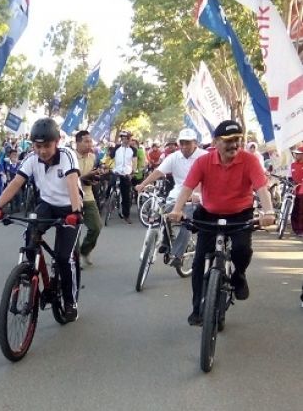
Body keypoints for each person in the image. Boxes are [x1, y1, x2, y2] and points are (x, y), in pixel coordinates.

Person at [168, 121, 275, 326]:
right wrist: (177, 209)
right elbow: (188, 187)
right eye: (228, 141)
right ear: (216, 142)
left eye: (237, 140)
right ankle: (198, 309)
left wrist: (268, 211)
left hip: (240, 214)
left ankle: (239, 275)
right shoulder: (203, 162)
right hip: (209, 214)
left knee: (242, 250)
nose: (234, 145)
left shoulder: (250, 160)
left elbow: (261, 188)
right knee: (199, 262)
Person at [0, 118, 84, 320]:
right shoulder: (31, 159)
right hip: (47, 205)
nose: (42, 151)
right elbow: (16, 183)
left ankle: (70, 301)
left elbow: (72, 183)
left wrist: (75, 212)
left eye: (47, 146)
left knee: (63, 258)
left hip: (69, 206)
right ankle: (30, 274)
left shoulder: (67, 156)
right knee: (30, 238)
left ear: (56, 142)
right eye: (38, 146)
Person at [136, 128, 207, 268]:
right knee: (162, 212)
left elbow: (206, 179)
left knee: (187, 221)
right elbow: (158, 172)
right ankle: (165, 240)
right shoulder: (174, 157)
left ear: (195, 143)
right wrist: (142, 184)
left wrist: (197, 194)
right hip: (177, 194)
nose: (185, 146)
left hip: (198, 195)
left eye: (188, 143)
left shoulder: (204, 157)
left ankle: (177, 255)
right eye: (182, 143)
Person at [75, 131, 103, 267]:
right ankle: (74, 258)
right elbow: (69, 180)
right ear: (77, 142)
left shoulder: (92, 157)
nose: (89, 144)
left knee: (96, 227)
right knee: (73, 230)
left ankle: (84, 251)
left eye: (90, 141)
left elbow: (90, 176)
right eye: (86, 141)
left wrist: (94, 178)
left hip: (88, 196)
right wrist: (86, 176)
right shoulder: (71, 157)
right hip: (72, 197)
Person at [112, 131, 137, 223]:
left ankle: (126, 215)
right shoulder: (117, 148)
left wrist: (132, 173)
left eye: (128, 138)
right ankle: (108, 201)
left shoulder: (133, 150)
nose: (126, 139)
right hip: (116, 172)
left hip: (126, 174)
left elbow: (134, 162)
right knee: (109, 186)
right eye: (124, 138)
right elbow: (110, 157)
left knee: (126, 196)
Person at [289, 145, 303, 236]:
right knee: (295, 210)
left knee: (301, 211)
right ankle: (296, 228)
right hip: (294, 191)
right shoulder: (292, 165)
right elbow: (289, 176)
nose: (296, 155)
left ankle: (300, 229)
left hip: (302, 191)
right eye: (296, 154)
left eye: (298, 154)